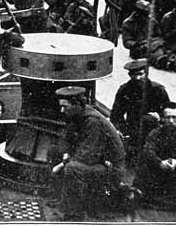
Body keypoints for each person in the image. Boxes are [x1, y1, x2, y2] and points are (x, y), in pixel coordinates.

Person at [52, 86, 125, 221]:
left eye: (65, 106)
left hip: (110, 168)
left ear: (77, 104)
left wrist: (64, 163)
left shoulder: (93, 121)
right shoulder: (75, 115)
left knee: (73, 168)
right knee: (53, 152)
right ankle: (63, 201)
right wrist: (65, 153)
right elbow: (65, 139)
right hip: (95, 162)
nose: (62, 110)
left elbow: (88, 155)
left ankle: (74, 214)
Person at [133, 101, 176, 217]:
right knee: (144, 167)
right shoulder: (155, 133)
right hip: (160, 170)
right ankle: (135, 194)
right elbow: (147, 151)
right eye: (167, 117)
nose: (170, 121)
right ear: (162, 119)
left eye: (174, 117)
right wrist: (159, 162)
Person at [110, 59, 170, 164]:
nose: (137, 78)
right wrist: (121, 130)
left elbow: (170, 111)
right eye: (133, 75)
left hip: (155, 129)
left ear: (146, 73)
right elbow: (116, 114)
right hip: (133, 129)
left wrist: (160, 116)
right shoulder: (125, 90)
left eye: (140, 74)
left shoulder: (158, 90)